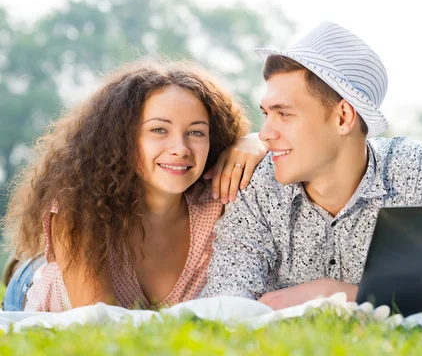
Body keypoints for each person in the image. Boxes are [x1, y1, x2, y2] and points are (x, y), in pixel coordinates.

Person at [202, 21, 422, 309]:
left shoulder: (410, 172)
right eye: (266, 113)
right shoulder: (257, 183)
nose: (264, 134)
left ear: (343, 117)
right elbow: (224, 304)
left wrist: (332, 295)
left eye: (284, 114)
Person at [1, 59, 267, 312]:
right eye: (159, 130)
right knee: (36, 272)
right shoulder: (80, 211)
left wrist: (257, 142)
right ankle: (25, 266)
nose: (180, 149)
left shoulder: (219, 203)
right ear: (121, 139)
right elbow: (101, 324)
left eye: (196, 132)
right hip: (34, 292)